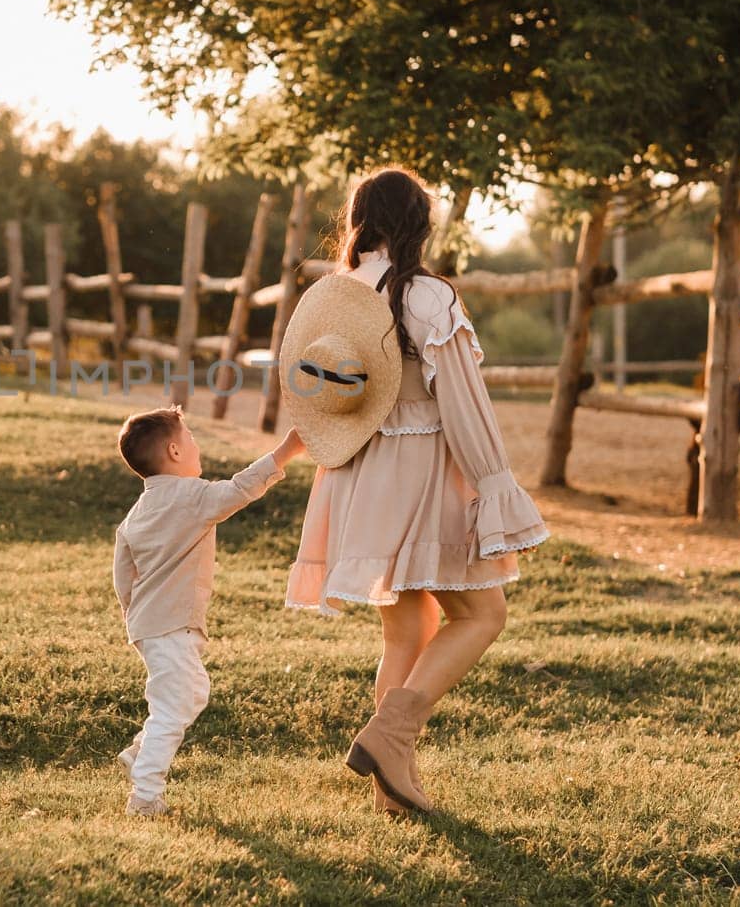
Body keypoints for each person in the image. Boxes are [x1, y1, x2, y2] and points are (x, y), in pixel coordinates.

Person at [282, 168, 548, 816]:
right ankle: (392, 734)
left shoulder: (333, 293)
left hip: (354, 478)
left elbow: (317, 396)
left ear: (359, 220)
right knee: (482, 615)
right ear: (418, 223)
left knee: (407, 631)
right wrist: (494, 485)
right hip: (421, 474)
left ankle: (390, 790)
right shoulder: (426, 297)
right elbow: (465, 406)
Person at [112, 407, 304, 816]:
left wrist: (135, 616)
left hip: (148, 626)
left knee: (192, 693)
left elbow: (122, 576)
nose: (198, 447)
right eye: (193, 439)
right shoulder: (192, 497)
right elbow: (240, 488)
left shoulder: (135, 514)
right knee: (172, 706)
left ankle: (141, 750)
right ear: (175, 451)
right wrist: (285, 452)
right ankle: (145, 795)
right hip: (173, 624)